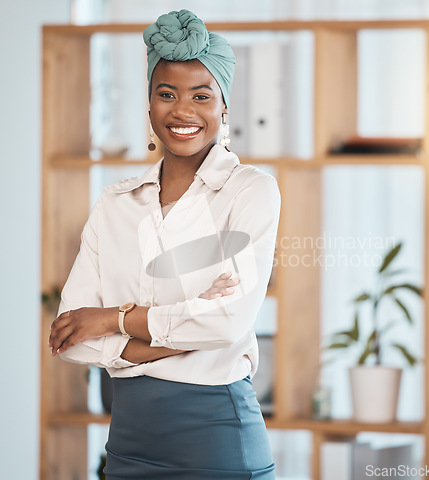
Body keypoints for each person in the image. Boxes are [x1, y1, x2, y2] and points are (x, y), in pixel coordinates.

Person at [48, 9, 280, 480]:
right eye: (166, 94)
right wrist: (177, 339)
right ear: (150, 104)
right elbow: (69, 338)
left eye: (201, 95)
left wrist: (110, 320)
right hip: (129, 446)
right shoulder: (114, 205)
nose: (183, 111)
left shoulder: (250, 191)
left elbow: (227, 322)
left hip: (217, 441)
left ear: (224, 107)